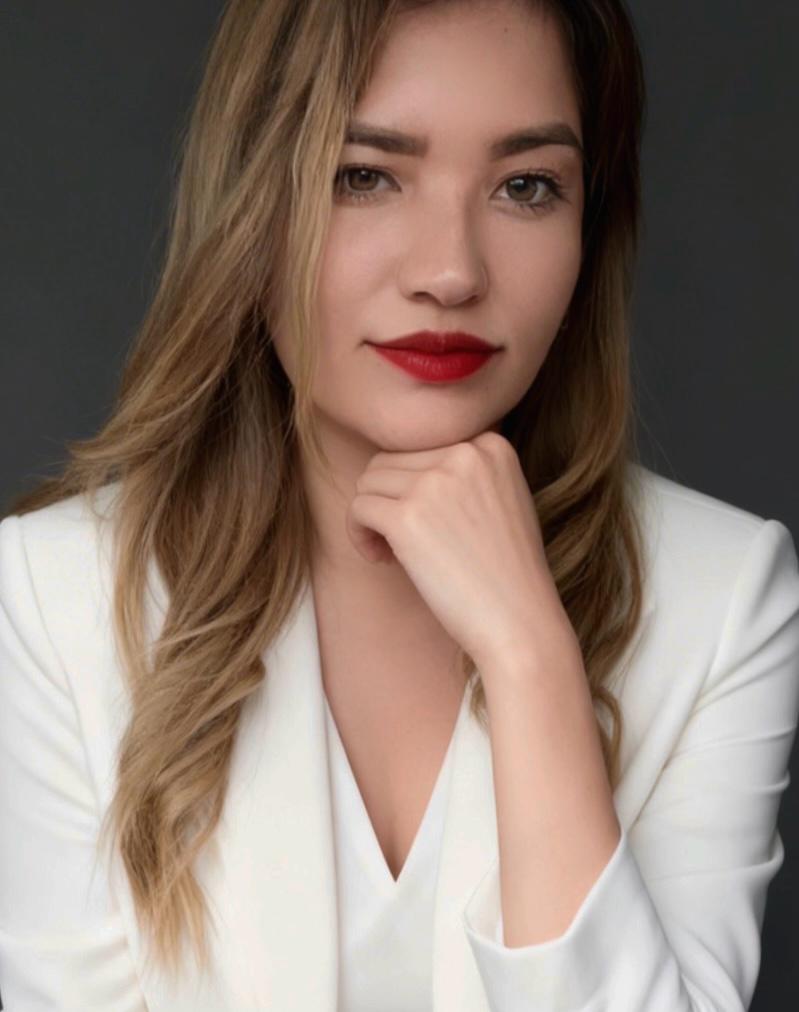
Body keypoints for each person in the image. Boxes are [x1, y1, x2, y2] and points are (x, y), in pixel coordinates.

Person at [1, 0, 797, 1009]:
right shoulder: (53, 597)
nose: (450, 272)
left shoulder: (722, 598)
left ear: (589, 227)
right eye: (364, 176)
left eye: (525, 186)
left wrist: (529, 658)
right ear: (252, 201)